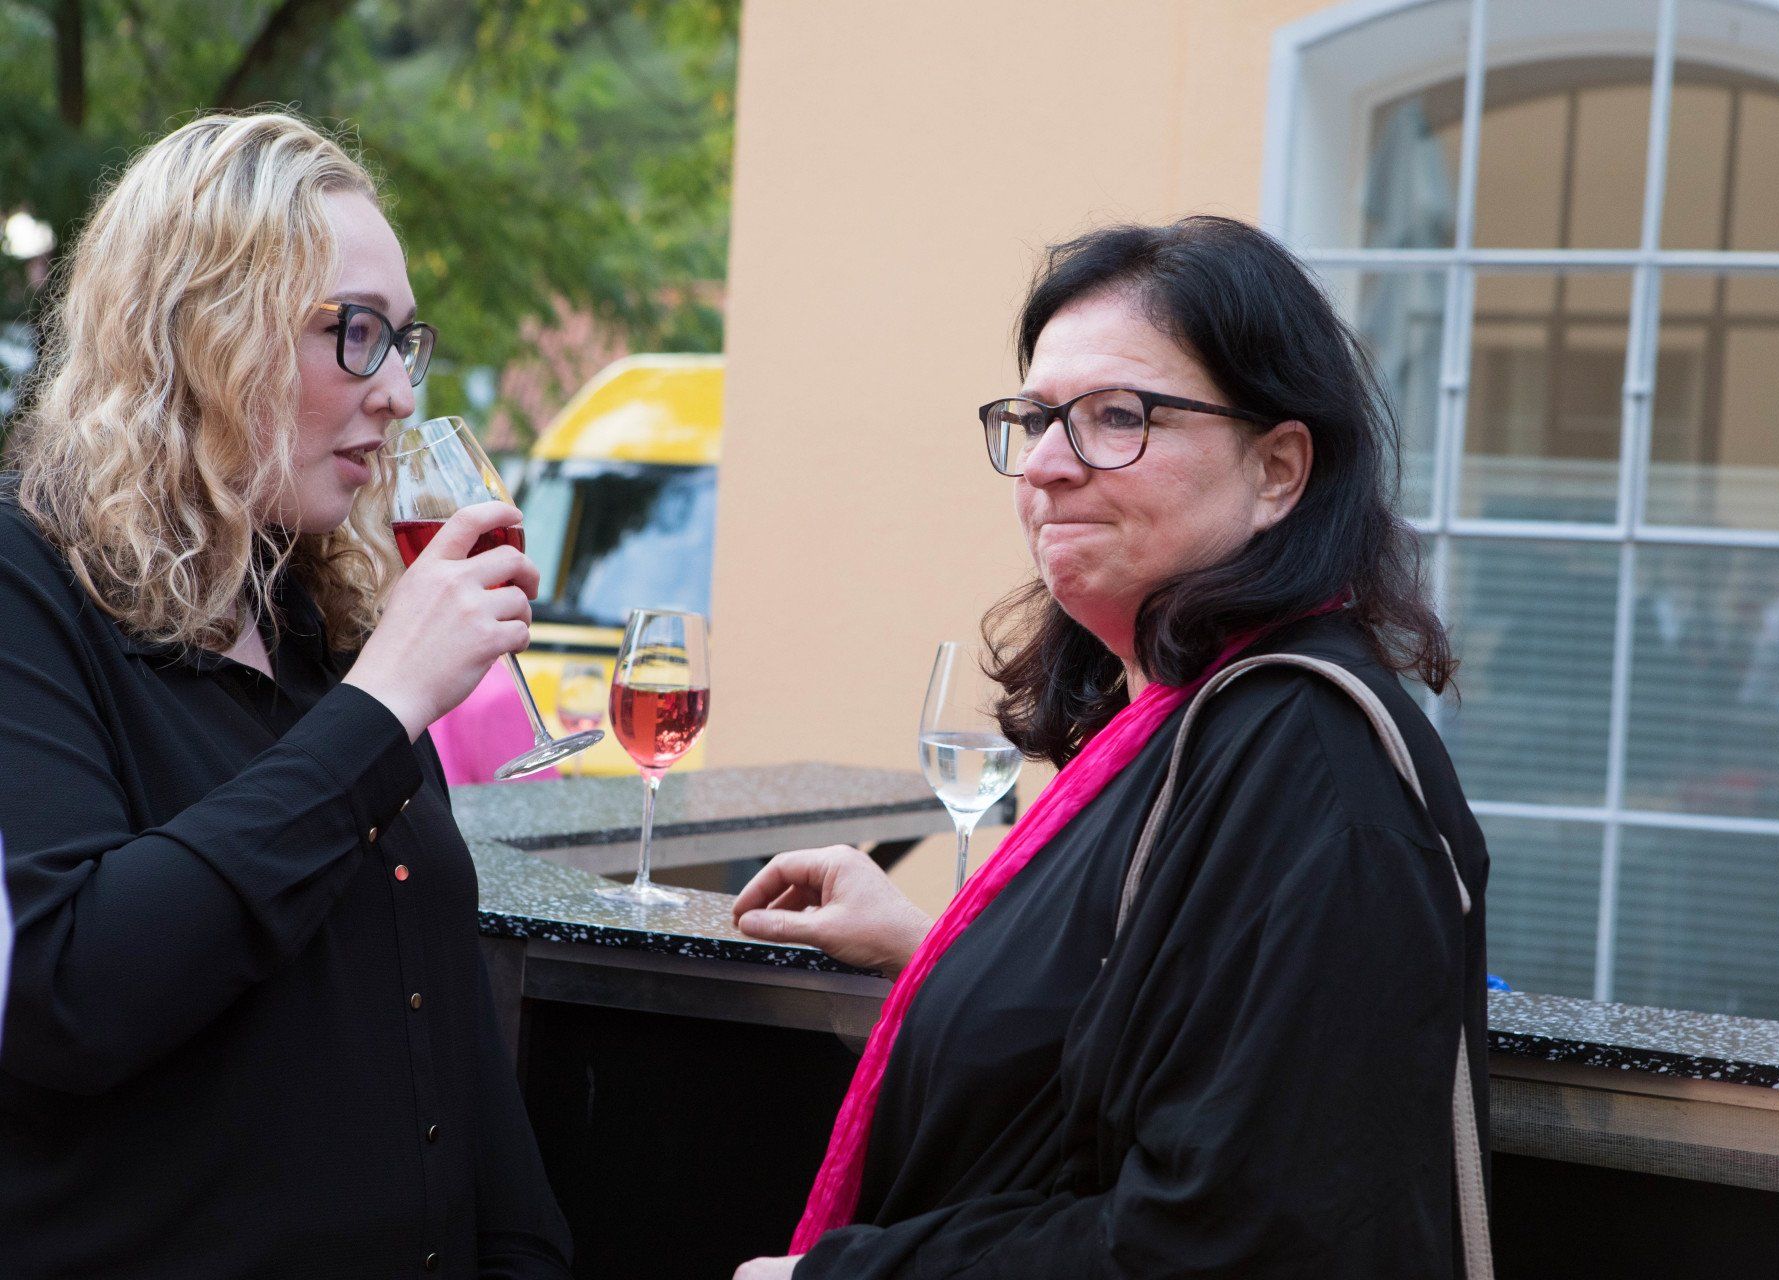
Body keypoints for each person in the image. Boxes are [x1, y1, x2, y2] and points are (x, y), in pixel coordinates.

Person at [732, 216, 1489, 1279]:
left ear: (1278, 469)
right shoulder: (1189, 720)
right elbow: (1158, 1013)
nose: (1044, 466)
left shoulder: (1312, 764)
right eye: (1036, 418)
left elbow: (1236, 1238)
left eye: (1116, 417)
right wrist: (941, 946)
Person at [0, 113, 572, 1277]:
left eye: (405, 340)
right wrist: (384, 705)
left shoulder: (321, 618)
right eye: (355, 333)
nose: (400, 392)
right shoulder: (28, 586)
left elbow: (444, 1025)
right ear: (205, 332)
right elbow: (68, 984)